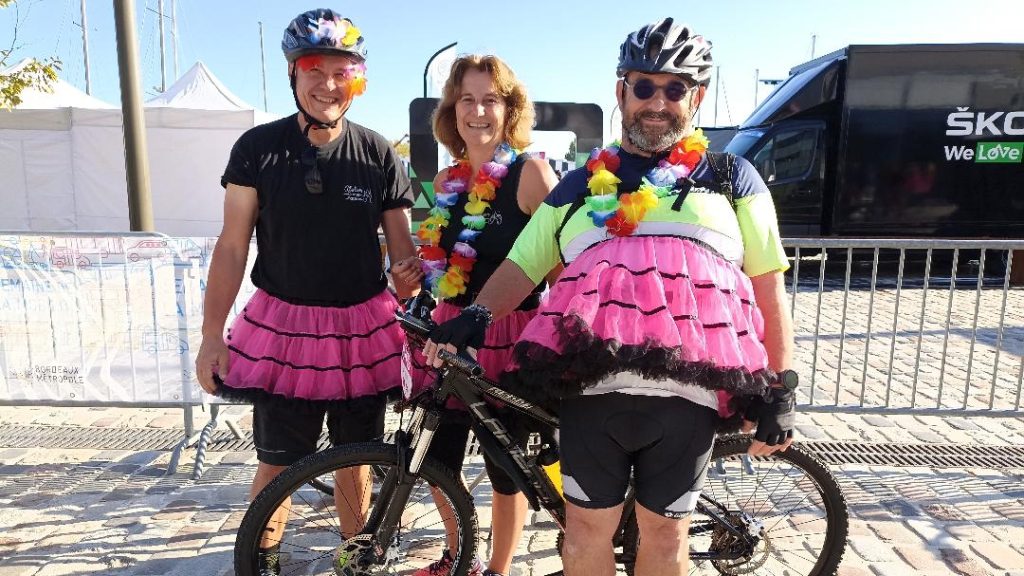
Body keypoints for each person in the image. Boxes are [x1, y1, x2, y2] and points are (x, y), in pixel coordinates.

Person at [425, 19, 797, 576]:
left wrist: (781, 387)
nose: (658, 101)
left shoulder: (731, 178)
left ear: (695, 96)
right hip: (591, 394)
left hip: (687, 398)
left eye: (675, 88)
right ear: (620, 90)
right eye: (644, 86)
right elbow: (525, 264)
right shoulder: (578, 186)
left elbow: (769, 288)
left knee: (665, 541)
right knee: (582, 540)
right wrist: (475, 316)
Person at [193, 9, 418, 576]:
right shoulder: (257, 148)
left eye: (342, 71)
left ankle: (354, 562)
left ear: (358, 78)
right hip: (283, 331)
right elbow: (231, 246)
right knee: (276, 463)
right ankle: (259, 562)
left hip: (362, 331)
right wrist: (210, 336)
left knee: (356, 462)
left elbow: (402, 256)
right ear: (293, 75)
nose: (327, 83)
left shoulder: (378, 153)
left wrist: (426, 277)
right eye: (313, 69)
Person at [390, 54, 560, 576]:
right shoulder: (445, 182)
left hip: (510, 336)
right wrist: (417, 272)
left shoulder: (531, 173)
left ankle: (499, 569)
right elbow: (447, 260)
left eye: (491, 99)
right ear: (452, 109)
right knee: (436, 457)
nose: (478, 110)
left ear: (509, 109)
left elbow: (561, 265)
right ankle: (458, 551)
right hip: (448, 330)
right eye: (467, 98)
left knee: (506, 466)